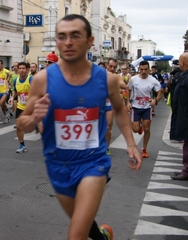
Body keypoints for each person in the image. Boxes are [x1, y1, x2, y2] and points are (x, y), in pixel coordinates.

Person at [18, 14, 141, 240]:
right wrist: (34, 117)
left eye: (75, 35)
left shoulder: (107, 79)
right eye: (62, 36)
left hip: (92, 162)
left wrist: (131, 143)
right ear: (56, 41)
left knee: (76, 235)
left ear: (89, 40)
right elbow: (22, 125)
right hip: (57, 164)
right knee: (82, 224)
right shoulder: (42, 80)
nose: (68, 42)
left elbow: (120, 109)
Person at [128, 61, 162, 158]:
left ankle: (144, 149)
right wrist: (127, 102)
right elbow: (128, 89)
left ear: (149, 69)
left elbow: (160, 92)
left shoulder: (153, 80)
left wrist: (155, 100)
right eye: (141, 69)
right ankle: (139, 127)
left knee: (147, 129)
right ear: (139, 69)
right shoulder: (133, 79)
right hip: (135, 107)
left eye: (145, 69)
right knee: (135, 129)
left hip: (147, 107)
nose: (143, 71)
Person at [9, 62, 32, 153]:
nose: (21, 70)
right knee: (18, 126)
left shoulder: (31, 79)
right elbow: (15, 91)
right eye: (20, 68)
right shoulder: (16, 80)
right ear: (18, 70)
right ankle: (22, 145)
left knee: (41, 128)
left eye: (23, 68)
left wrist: (30, 96)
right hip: (21, 106)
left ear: (27, 70)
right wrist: (11, 97)